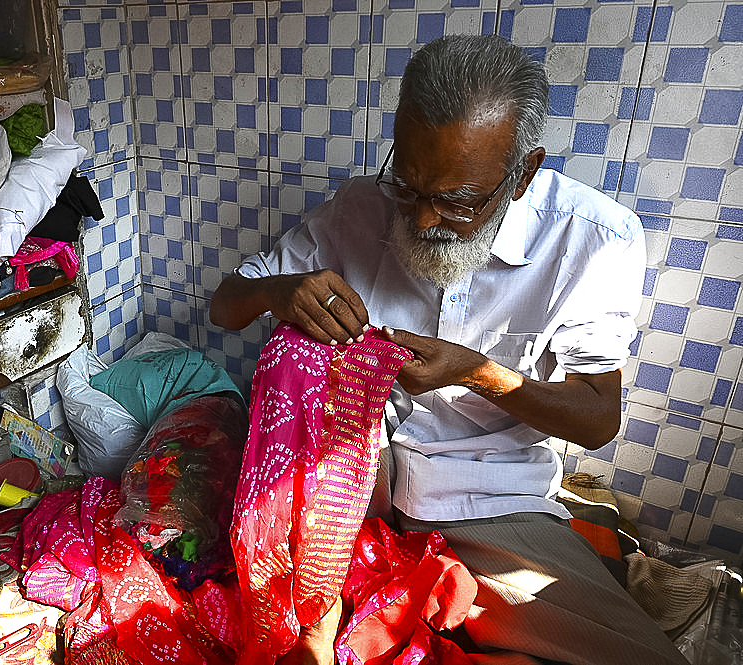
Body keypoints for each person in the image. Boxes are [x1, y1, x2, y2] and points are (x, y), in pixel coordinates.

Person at [210, 34, 689, 665]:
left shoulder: (593, 242)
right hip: (344, 491)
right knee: (279, 633)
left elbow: (599, 419)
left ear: (523, 175)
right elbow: (226, 305)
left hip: (485, 496)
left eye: (458, 200)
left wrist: (478, 373)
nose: (426, 219)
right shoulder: (361, 208)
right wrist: (282, 291)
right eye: (409, 186)